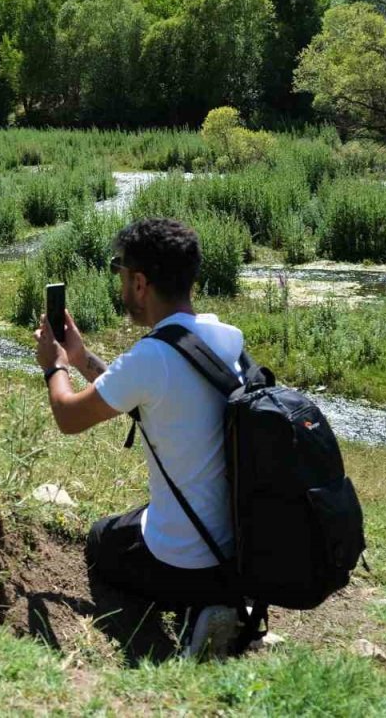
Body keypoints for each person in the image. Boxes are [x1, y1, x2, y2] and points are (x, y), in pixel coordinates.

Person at [33, 217, 245, 656]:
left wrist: (54, 366)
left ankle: (188, 614)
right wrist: (80, 356)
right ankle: (213, 603)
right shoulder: (223, 341)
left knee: (101, 539)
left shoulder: (152, 356)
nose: (122, 285)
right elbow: (138, 394)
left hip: (183, 559)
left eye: (121, 273)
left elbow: (69, 417)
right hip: (237, 551)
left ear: (141, 282)